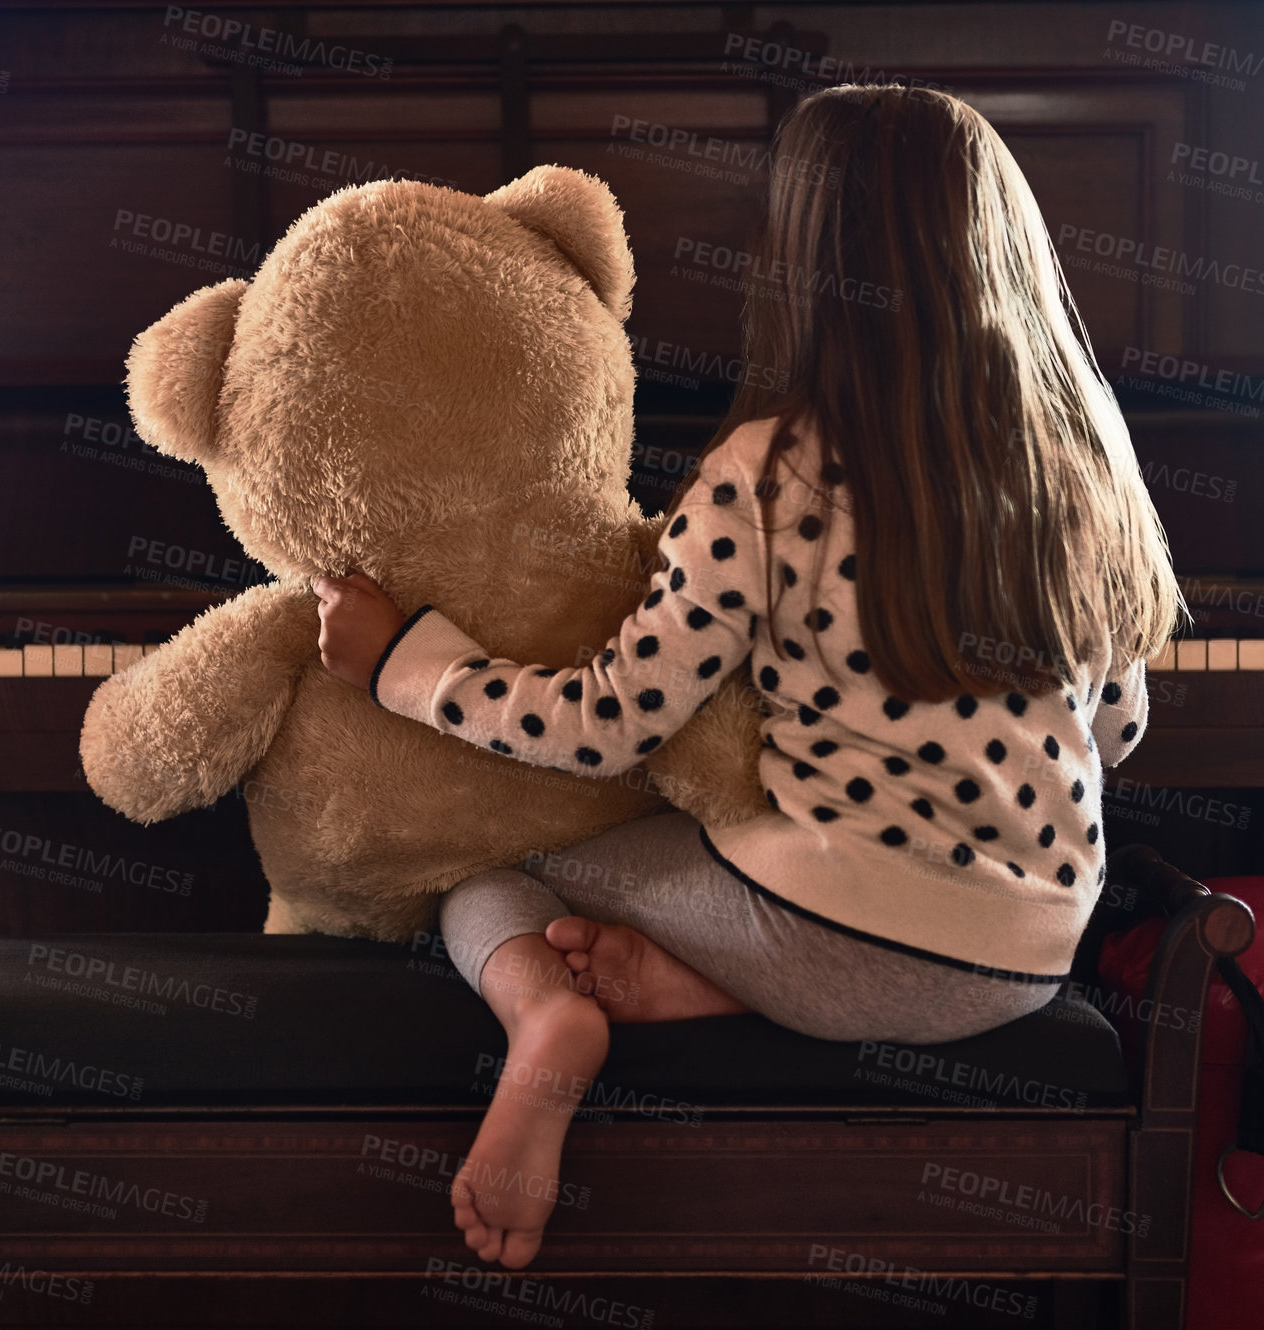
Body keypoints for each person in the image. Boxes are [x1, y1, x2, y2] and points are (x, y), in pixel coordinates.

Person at [312, 82, 1184, 1272]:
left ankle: (546, 1019)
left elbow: (606, 728)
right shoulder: (1084, 462)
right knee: (786, 881)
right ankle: (703, 977)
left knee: (484, 865)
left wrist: (405, 664)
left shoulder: (764, 473)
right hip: (1025, 963)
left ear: (800, 262)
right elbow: (1118, 728)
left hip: (832, 935)